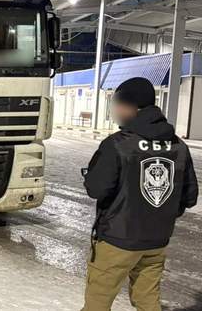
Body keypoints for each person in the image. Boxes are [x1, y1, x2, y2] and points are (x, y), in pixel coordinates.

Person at [82, 77, 198, 311]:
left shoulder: (117, 144)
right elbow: (189, 197)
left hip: (117, 239)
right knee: (148, 300)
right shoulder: (178, 146)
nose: (115, 110)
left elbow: (97, 189)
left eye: (117, 104)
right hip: (156, 240)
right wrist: (160, 215)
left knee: (98, 302)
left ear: (130, 107)